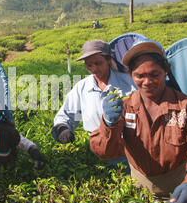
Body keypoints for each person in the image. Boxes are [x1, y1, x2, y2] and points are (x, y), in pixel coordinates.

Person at [89, 39, 187, 203]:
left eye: (154, 74)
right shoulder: (125, 107)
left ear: (166, 72)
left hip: (183, 192)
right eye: (139, 76)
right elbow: (107, 153)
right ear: (131, 75)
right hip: (141, 193)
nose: (147, 82)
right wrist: (109, 123)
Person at [51, 39, 136, 168]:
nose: (94, 69)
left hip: (128, 151)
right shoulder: (82, 87)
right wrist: (62, 128)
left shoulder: (128, 83)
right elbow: (67, 114)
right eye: (89, 65)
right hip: (96, 150)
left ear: (108, 60)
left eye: (98, 63)